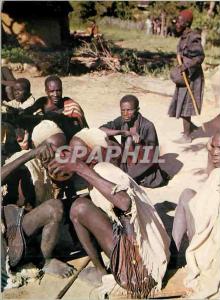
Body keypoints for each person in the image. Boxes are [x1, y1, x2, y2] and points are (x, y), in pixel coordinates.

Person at [47, 150, 170, 298]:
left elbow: (125, 203)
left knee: (78, 208)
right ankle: (109, 268)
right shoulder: (103, 170)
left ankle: (104, 272)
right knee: (83, 205)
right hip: (152, 255)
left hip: (142, 271)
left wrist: (80, 167)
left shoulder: (102, 170)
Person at [1, 141, 75, 282]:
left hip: (26, 230)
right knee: (54, 207)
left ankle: (43, 256)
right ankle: (45, 261)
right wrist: (31, 154)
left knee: (58, 209)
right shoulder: (17, 171)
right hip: (9, 238)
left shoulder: (40, 175)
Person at [171, 132, 220, 298]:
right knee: (187, 194)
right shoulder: (216, 174)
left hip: (211, 247)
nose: (215, 152)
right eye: (214, 147)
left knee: (188, 198)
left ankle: (174, 255)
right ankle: (175, 252)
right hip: (208, 231)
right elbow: (210, 175)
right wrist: (210, 148)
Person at [100, 95, 170, 188]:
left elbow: (152, 157)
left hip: (142, 167)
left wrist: (129, 176)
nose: (125, 113)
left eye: (129, 110)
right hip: (127, 161)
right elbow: (101, 129)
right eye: (123, 110)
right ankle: (123, 171)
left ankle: (130, 176)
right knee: (105, 137)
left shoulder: (147, 126)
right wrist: (123, 132)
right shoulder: (122, 120)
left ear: (137, 109)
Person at [168, 9, 205, 143]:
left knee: (186, 104)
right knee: (183, 101)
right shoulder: (184, 36)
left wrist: (186, 66)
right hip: (185, 75)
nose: (177, 23)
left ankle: (187, 136)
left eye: (180, 21)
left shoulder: (193, 37)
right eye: (177, 20)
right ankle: (191, 128)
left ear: (187, 23)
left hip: (192, 76)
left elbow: (200, 56)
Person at [22, 75, 88, 129]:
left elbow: (76, 128)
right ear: (46, 91)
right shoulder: (42, 102)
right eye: (51, 91)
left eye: (58, 91)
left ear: (62, 90)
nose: (56, 94)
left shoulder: (71, 107)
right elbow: (26, 113)